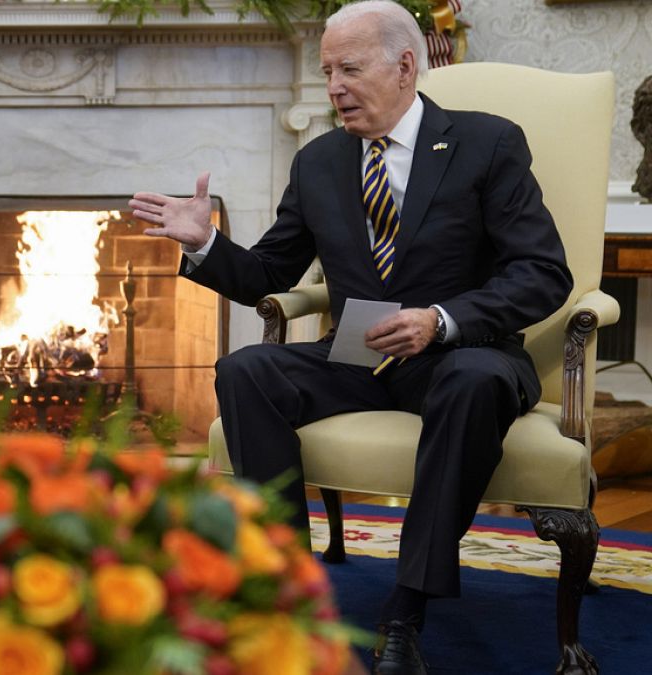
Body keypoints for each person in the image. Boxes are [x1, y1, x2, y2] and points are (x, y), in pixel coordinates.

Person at [129, 2, 571, 673]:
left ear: (403, 67)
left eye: (349, 68)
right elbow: (270, 274)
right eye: (327, 68)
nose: (333, 85)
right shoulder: (320, 162)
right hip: (360, 354)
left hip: (462, 353)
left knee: (475, 377)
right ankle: (288, 591)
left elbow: (543, 272)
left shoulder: (488, 144)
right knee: (246, 369)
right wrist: (208, 244)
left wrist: (440, 319)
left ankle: (405, 609)